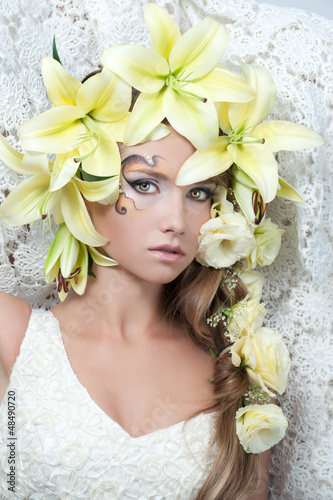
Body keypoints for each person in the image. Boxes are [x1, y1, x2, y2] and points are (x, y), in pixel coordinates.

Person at [0, 3, 325, 499]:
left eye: (199, 192)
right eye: (144, 183)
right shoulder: (11, 337)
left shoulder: (242, 375)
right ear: (81, 184)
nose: (177, 221)